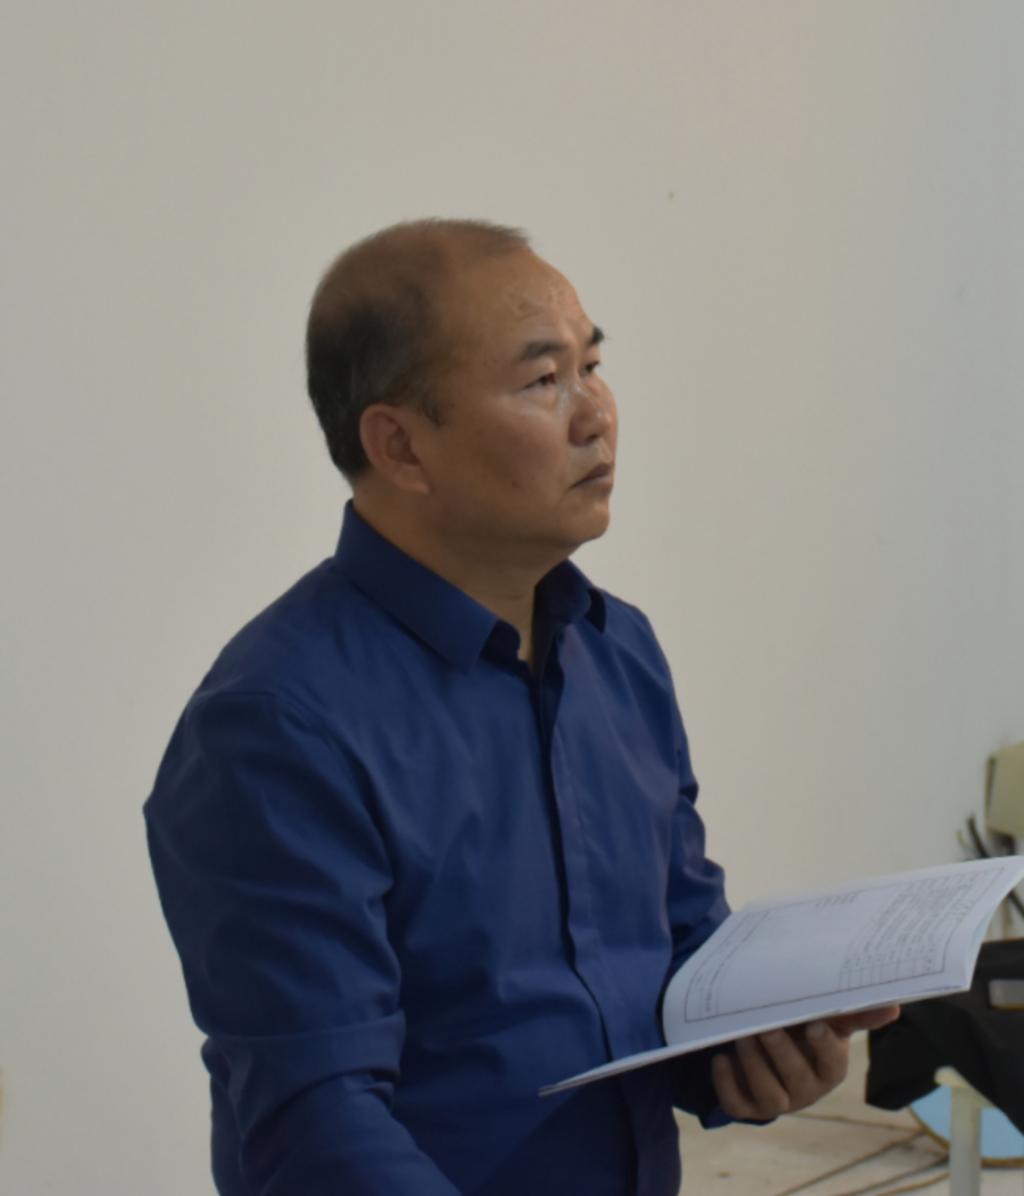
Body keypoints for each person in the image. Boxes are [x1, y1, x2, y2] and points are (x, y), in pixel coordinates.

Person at [143, 218, 898, 1196]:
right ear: (400, 445)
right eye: (544, 380)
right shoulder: (275, 725)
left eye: (593, 366)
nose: (596, 416)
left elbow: (673, 960)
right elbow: (315, 1124)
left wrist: (749, 1050)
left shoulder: (617, 652)